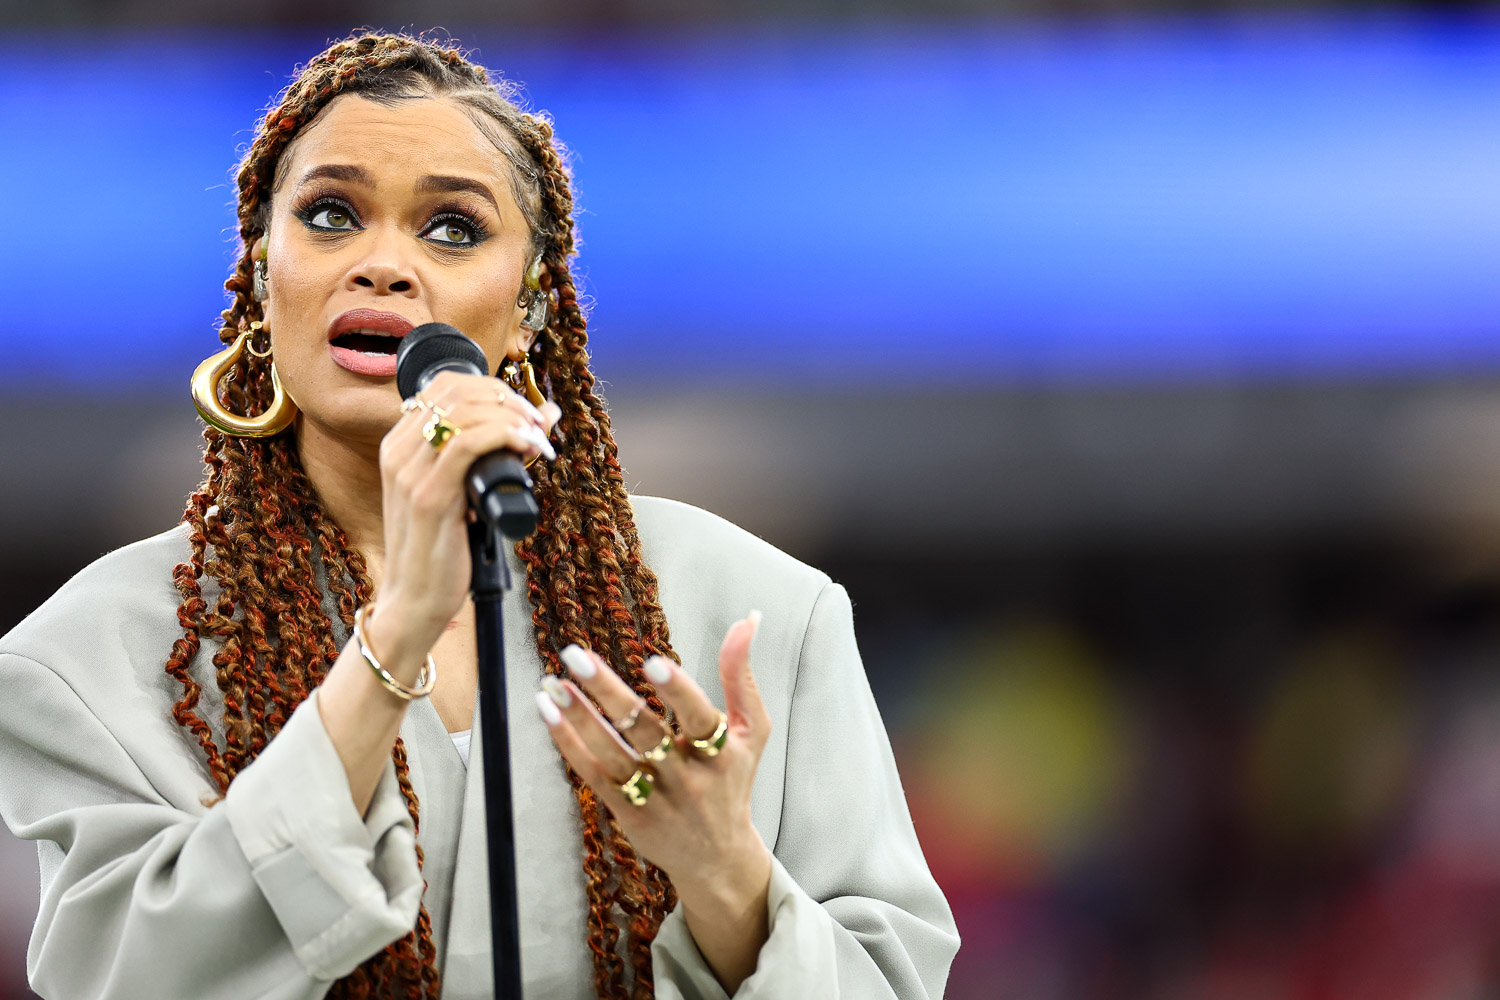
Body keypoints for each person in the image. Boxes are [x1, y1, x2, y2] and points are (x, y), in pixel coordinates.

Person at [0, 31, 959, 1000]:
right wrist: (397, 630)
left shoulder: (760, 617)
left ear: (528, 309)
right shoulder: (88, 656)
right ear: (259, 273)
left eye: (452, 228)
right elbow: (125, 979)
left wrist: (723, 871)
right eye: (331, 214)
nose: (382, 264)